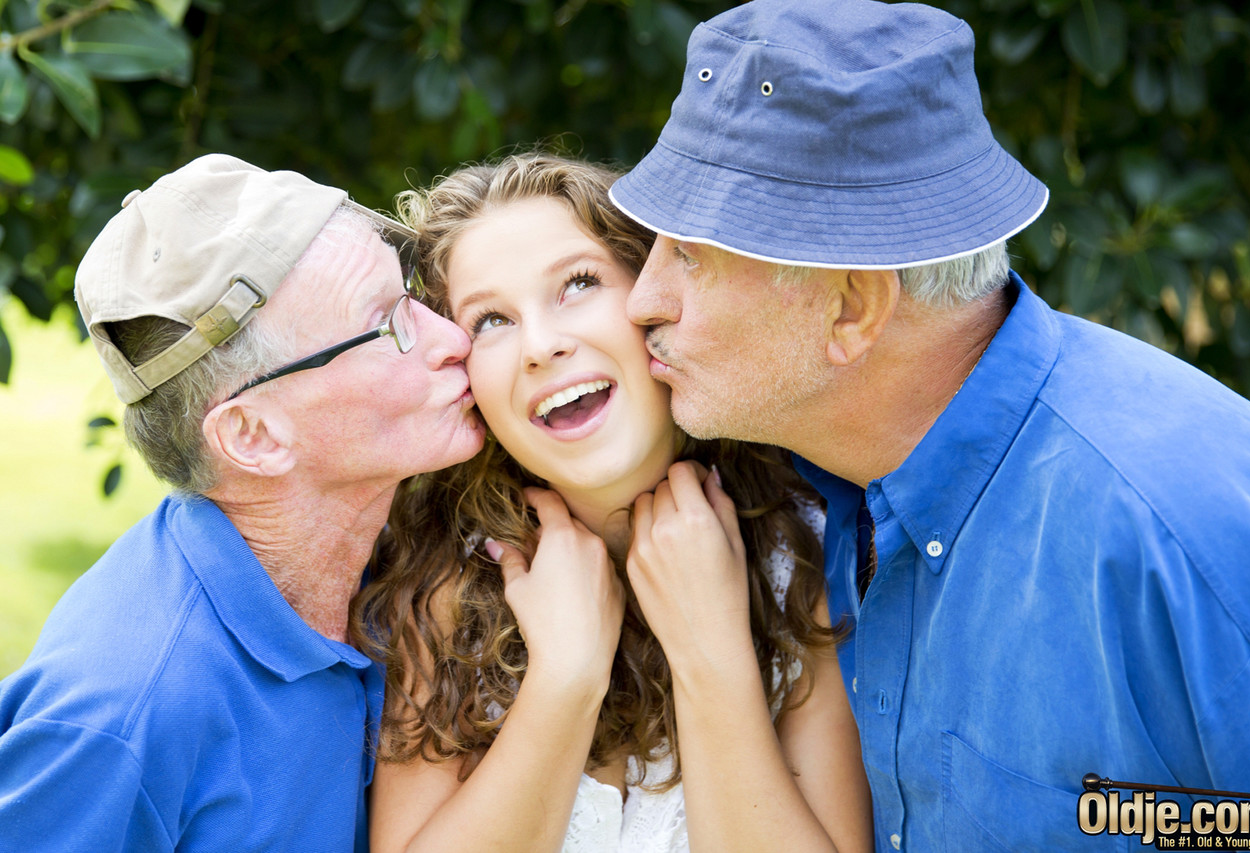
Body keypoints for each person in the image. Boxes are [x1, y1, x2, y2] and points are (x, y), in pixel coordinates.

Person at [608, 0, 1250, 849]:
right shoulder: (813, 492)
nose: (643, 299)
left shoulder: (1184, 538)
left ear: (852, 309)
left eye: (692, 256)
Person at [351, 152, 873, 853]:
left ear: (653, 298)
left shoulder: (805, 547)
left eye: (577, 284)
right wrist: (563, 680)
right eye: (491, 322)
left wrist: (710, 653)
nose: (541, 345)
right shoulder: (442, 585)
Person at [0, 154, 484, 852]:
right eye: (387, 326)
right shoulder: (122, 716)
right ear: (253, 435)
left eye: (410, 294)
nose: (452, 338)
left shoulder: (417, 555)